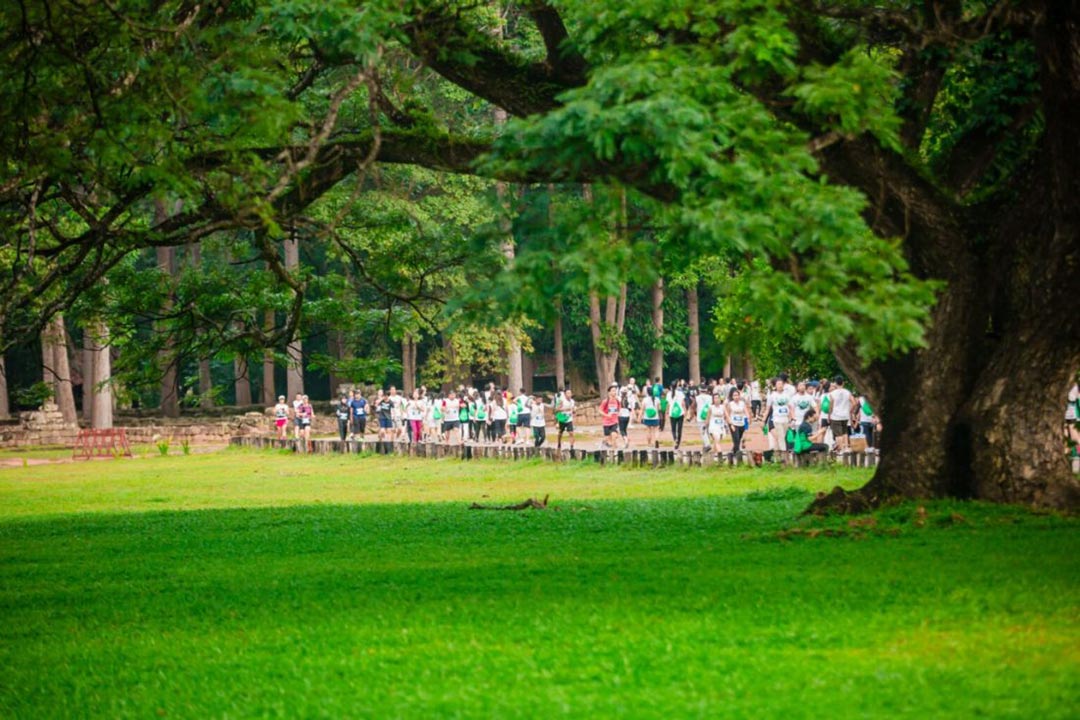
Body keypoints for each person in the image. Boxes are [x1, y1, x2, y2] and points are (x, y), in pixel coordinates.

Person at [828, 376, 854, 452]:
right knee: (845, 432)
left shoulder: (832, 393)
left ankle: (841, 449)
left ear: (835, 383)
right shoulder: (847, 392)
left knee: (838, 434)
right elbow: (854, 403)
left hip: (835, 416)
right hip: (845, 415)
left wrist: (829, 415)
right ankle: (846, 448)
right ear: (843, 383)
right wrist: (850, 411)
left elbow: (831, 406)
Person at [725, 387, 749, 459]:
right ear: (732, 397)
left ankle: (732, 453)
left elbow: (746, 413)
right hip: (734, 424)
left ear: (739, 396)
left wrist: (747, 421)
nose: (736, 397)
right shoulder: (730, 404)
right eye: (734, 395)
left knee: (738, 440)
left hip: (741, 423)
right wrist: (730, 424)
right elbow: (727, 415)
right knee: (736, 439)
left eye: (737, 395)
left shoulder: (742, 403)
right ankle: (738, 455)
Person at [599, 384, 621, 450]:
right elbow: (600, 410)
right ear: (609, 392)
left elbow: (618, 410)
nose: (614, 392)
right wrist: (607, 415)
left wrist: (618, 413)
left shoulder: (617, 401)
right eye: (613, 391)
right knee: (608, 439)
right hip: (606, 423)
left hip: (614, 422)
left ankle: (614, 451)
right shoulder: (605, 401)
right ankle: (604, 442)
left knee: (614, 435)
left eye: (615, 391)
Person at [667, 382, 686, 450]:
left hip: (672, 413)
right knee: (679, 429)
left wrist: (667, 411)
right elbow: (683, 403)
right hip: (680, 412)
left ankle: (675, 439)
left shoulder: (669, 394)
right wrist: (685, 410)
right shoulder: (680, 393)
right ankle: (678, 443)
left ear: (671, 386)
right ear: (677, 386)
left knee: (673, 429)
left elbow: (668, 404)